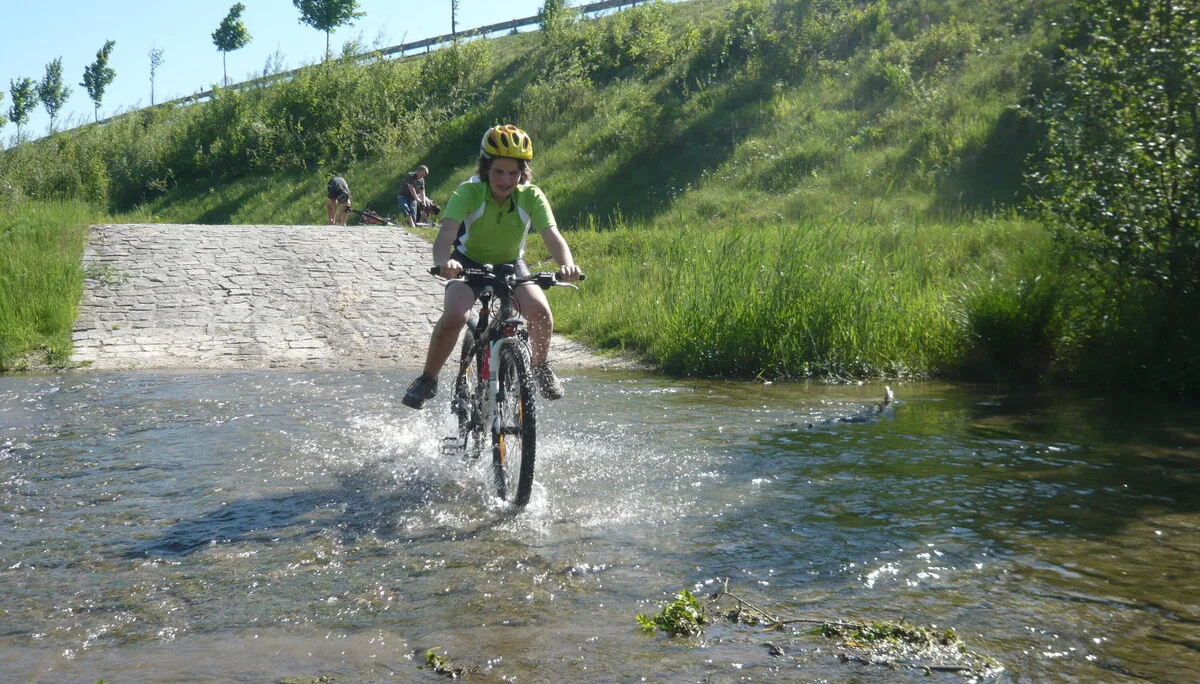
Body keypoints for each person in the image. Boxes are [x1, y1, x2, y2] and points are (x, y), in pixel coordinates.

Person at [402, 124, 582, 410]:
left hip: (510, 264)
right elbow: (444, 238)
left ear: (523, 172)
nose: (506, 179)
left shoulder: (531, 196)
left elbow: (553, 237)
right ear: (486, 168)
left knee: (541, 312)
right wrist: (444, 263)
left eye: (514, 172)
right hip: (466, 263)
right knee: (455, 316)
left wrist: (568, 265)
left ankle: (540, 367)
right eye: (499, 171)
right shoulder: (468, 193)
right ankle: (427, 378)